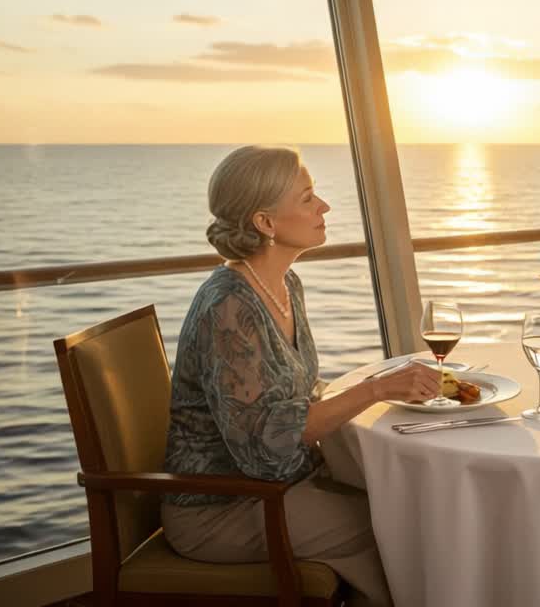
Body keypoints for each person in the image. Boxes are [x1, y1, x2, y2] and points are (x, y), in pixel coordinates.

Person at [161, 145, 440, 607]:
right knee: (400, 525)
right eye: (308, 198)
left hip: (280, 487)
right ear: (265, 223)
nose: (324, 207)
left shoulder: (284, 283)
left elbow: (294, 397)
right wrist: (377, 389)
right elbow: (265, 448)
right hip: (224, 508)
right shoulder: (228, 307)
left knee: (410, 498)